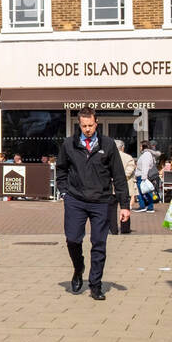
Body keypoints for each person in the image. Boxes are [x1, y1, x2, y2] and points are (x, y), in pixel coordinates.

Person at [56, 108, 129, 300]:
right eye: (84, 126)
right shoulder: (69, 144)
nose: (87, 129)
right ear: (79, 124)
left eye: (90, 125)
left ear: (96, 123)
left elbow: (119, 176)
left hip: (101, 201)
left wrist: (125, 205)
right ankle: (78, 268)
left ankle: (96, 285)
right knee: (72, 239)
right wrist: (64, 192)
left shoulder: (108, 144)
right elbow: (61, 170)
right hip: (75, 200)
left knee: (99, 243)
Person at [112, 139, 136, 234]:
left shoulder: (110, 157)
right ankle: (125, 228)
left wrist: (114, 178)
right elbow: (129, 171)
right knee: (125, 208)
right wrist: (120, 177)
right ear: (122, 147)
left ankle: (113, 229)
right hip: (126, 187)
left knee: (111, 210)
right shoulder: (129, 157)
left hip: (112, 187)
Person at [133, 141, 158, 212]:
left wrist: (144, 177)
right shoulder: (146, 154)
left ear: (144, 146)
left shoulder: (146, 154)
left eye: (141, 146)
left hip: (142, 176)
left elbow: (145, 166)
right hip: (142, 175)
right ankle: (147, 206)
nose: (140, 147)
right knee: (145, 191)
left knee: (142, 192)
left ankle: (145, 206)